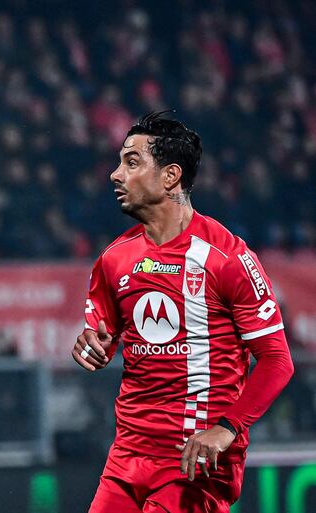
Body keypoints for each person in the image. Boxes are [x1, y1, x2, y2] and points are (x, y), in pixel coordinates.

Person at [72, 112, 294, 513]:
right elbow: (102, 337)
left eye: (132, 162)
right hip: (127, 456)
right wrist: (95, 346)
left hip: (195, 459)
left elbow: (278, 360)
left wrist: (226, 430)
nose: (115, 175)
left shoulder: (227, 258)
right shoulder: (114, 259)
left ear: (171, 176)